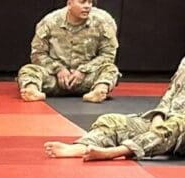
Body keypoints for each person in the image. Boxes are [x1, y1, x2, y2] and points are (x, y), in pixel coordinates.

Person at [45, 56, 185, 160]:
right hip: (169, 119)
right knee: (112, 120)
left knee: (175, 126)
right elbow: (170, 94)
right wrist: (158, 116)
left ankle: (116, 152)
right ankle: (82, 147)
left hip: (180, 127)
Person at [18, 0, 119, 103]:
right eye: (82, 2)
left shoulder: (103, 22)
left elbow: (108, 55)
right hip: (56, 79)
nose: (87, 6)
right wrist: (58, 69)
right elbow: (37, 54)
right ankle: (32, 91)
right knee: (28, 70)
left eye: (90, 2)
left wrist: (83, 71)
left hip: (86, 80)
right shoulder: (50, 22)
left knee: (110, 69)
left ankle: (99, 91)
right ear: (69, 4)